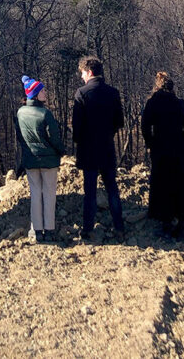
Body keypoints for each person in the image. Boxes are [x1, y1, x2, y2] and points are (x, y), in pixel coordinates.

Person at [72, 56, 125, 241]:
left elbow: (77, 126)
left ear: (90, 72)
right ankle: (119, 227)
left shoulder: (82, 93)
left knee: (90, 192)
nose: (82, 77)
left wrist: (79, 141)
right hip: (107, 148)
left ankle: (88, 229)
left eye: (82, 73)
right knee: (112, 189)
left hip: (88, 150)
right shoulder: (113, 93)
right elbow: (119, 122)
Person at [141, 71, 184, 239]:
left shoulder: (152, 103)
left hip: (160, 150)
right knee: (180, 185)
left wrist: (151, 143)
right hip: (178, 150)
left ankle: (165, 222)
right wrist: (183, 140)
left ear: (157, 86)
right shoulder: (181, 104)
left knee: (162, 185)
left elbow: (145, 126)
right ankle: (181, 221)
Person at [16, 75, 65, 242]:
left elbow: (20, 137)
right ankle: (49, 230)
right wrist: (61, 151)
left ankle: (37, 230)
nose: (45, 93)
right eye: (42, 91)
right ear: (36, 95)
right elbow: (54, 138)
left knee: (35, 194)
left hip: (30, 160)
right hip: (49, 161)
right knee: (49, 194)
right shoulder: (45, 114)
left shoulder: (20, 112)